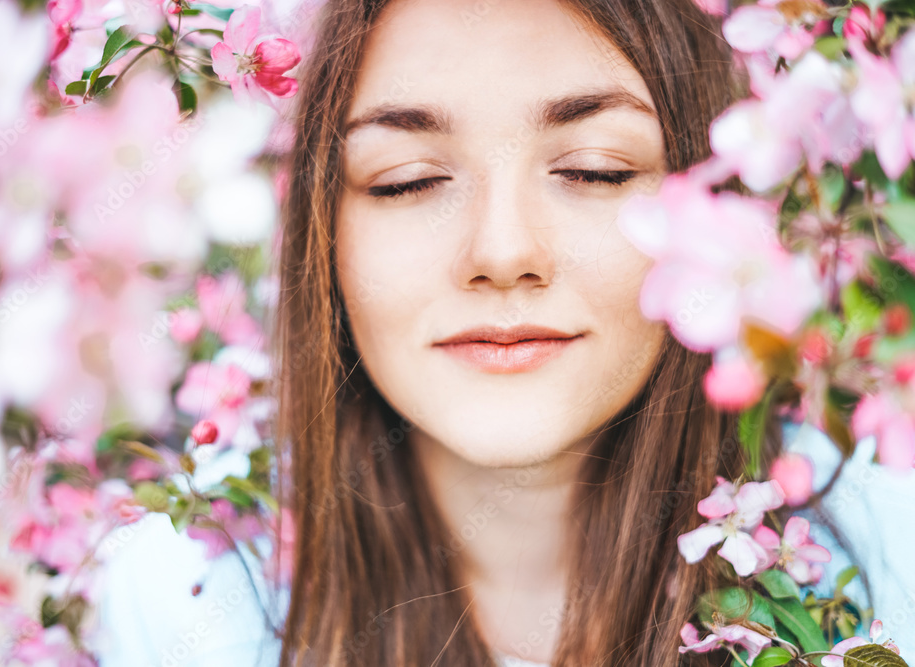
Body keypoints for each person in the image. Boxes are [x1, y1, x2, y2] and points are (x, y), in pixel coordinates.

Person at [97, 0, 915, 665]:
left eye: (595, 169)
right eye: (406, 180)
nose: (501, 253)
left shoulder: (886, 553)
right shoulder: (192, 595)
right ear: (322, 230)